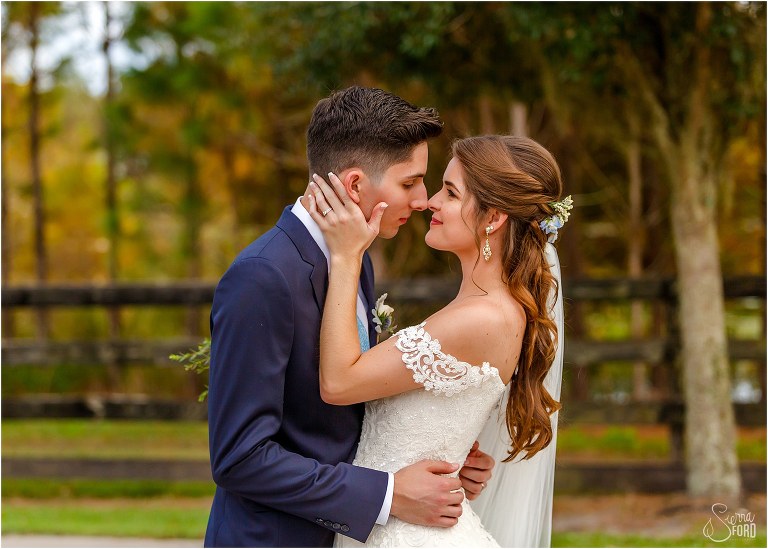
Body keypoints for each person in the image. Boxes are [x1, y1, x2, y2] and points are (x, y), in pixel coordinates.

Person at [204, 87, 495, 548]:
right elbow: (240, 457)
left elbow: (342, 417)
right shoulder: (262, 277)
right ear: (356, 185)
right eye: (409, 183)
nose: (423, 200)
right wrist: (388, 494)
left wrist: (443, 456)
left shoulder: (353, 257)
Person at [306, 134, 568, 547]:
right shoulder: (485, 309)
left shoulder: (481, 317)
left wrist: (346, 257)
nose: (431, 202)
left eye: (450, 192)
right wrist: (458, 460)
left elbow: (338, 383)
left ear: (493, 218)